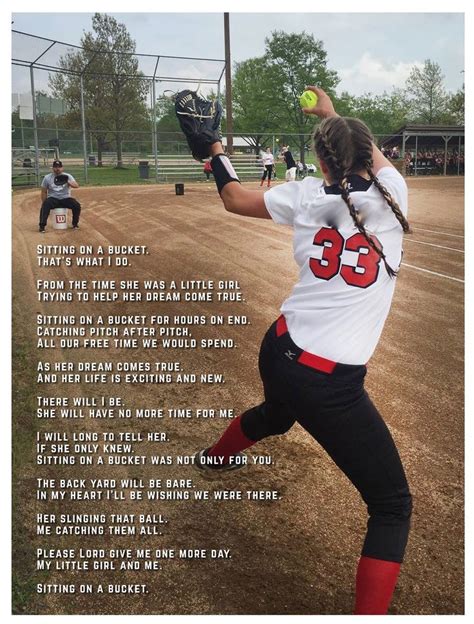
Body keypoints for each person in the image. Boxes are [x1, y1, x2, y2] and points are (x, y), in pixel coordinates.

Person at [177, 86, 412, 615]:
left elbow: (234, 198)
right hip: (330, 384)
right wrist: (332, 115)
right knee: (391, 507)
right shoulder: (395, 194)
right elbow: (367, 156)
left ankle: (214, 459)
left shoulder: (305, 194)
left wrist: (215, 151)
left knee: (278, 414)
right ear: (368, 151)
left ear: (321, 159)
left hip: (280, 347)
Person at [39, 160, 81, 232]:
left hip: (65, 198)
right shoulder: (47, 178)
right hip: (53, 198)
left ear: (62, 168)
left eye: (59, 167)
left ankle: (75, 224)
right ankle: (42, 226)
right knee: (45, 205)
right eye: (55, 167)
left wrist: (67, 181)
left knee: (76, 205)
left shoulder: (68, 176)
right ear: (52, 168)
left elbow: (76, 185)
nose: (57, 169)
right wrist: (44, 202)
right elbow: (44, 191)